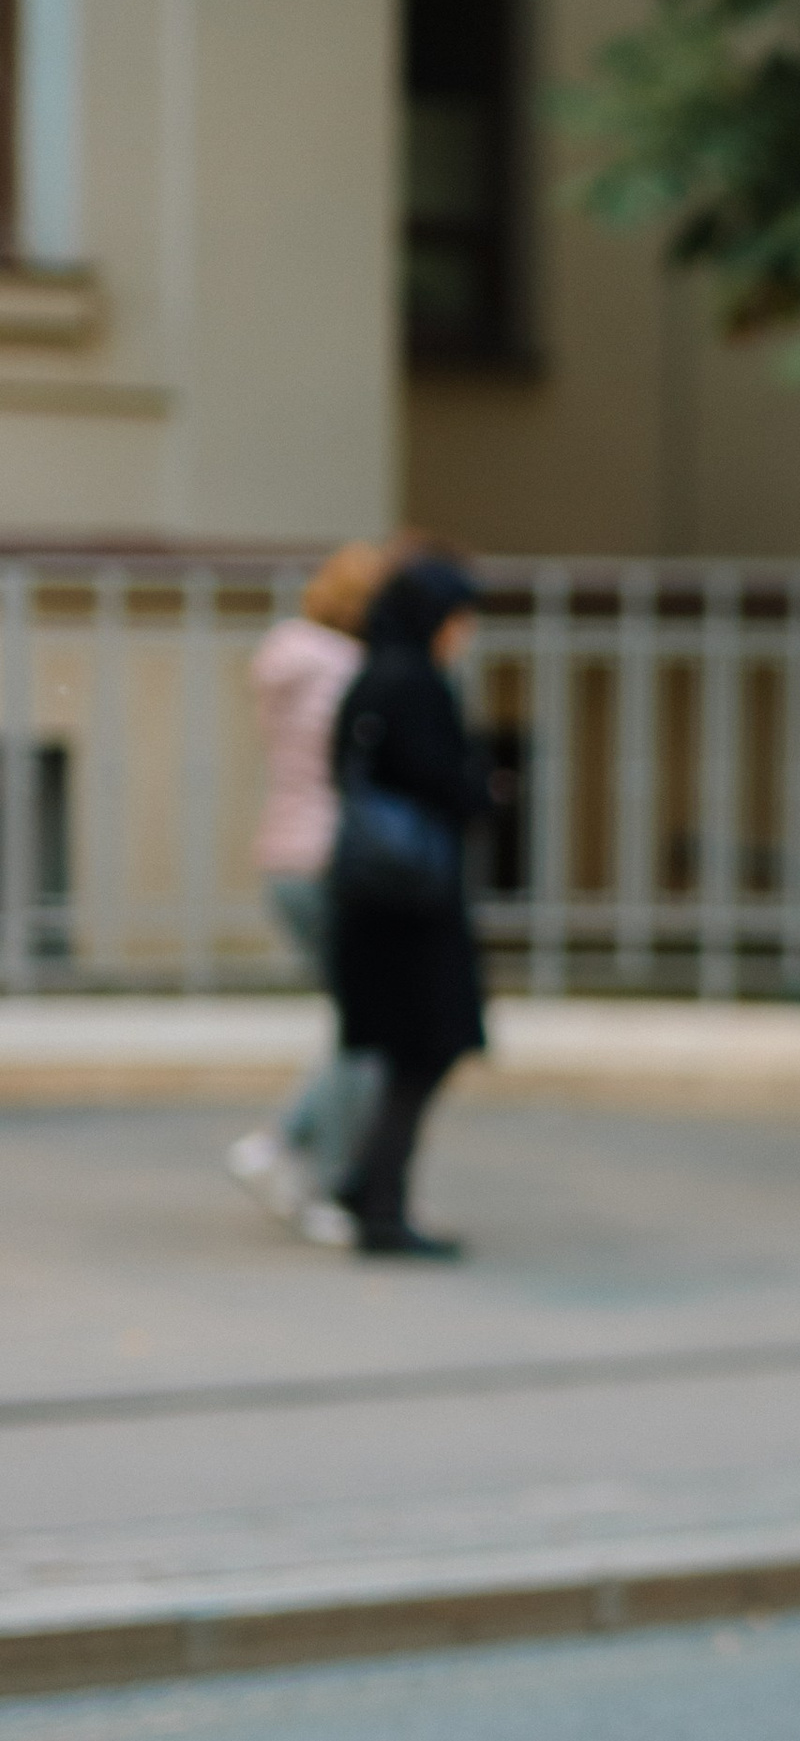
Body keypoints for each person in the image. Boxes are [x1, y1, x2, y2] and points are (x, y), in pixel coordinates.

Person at [309, 555, 499, 1259]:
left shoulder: (368, 676)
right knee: (425, 1046)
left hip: (372, 895)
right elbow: (444, 782)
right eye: (460, 618)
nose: (466, 633)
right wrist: (486, 789)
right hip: (411, 901)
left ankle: (369, 1185)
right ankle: (379, 1202)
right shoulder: (417, 683)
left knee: (406, 1050)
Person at [225, 539, 392, 1222]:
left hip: (286, 857)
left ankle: (287, 1149)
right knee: (371, 1027)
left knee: (362, 1020)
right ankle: (306, 1165)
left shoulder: (286, 662)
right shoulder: (348, 672)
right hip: (333, 860)